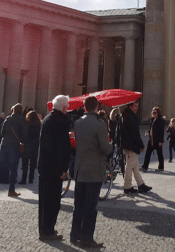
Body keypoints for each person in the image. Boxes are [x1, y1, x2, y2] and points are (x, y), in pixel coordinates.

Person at [70, 95, 112, 248]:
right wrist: (111, 147)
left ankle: (74, 235)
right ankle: (87, 238)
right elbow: (105, 147)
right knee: (90, 206)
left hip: (80, 169)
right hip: (94, 170)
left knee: (78, 204)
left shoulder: (77, 122)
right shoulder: (99, 124)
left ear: (84, 107)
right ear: (97, 107)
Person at [37, 95, 71, 241]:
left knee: (44, 201)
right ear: (64, 108)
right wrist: (64, 168)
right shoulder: (62, 122)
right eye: (67, 107)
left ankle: (43, 229)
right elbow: (62, 148)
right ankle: (48, 231)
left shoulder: (46, 119)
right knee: (53, 202)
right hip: (55, 168)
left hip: (43, 166)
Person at [0, 103, 28, 197]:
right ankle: (11, 190)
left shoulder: (7, 119)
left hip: (4, 145)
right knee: (13, 168)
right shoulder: (21, 120)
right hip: (14, 146)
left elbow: (2, 132)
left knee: (0, 166)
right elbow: (25, 135)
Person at [120, 100, 152, 195]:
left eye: (137, 106)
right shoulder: (130, 117)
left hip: (128, 144)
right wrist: (141, 145)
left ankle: (140, 184)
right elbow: (135, 134)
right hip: (131, 145)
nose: (136, 108)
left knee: (135, 166)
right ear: (130, 106)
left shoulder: (126, 115)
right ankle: (127, 186)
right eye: (134, 106)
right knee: (130, 166)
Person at [141, 107, 166, 171]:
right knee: (148, 153)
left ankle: (161, 167)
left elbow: (161, 132)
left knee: (159, 154)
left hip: (157, 140)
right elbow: (152, 129)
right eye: (152, 112)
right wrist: (148, 132)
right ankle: (145, 167)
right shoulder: (152, 120)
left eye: (155, 112)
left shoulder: (161, 120)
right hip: (151, 140)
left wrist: (161, 141)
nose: (153, 114)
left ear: (158, 113)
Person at [20, 110, 41, 184]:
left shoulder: (26, 124)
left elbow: (24, 135)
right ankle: (31, 179)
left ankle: (23, 179)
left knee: (25, 164)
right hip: (35, 146)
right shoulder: (39, 124)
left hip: (26, 145)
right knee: (33, 164)